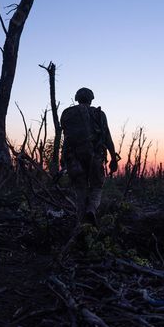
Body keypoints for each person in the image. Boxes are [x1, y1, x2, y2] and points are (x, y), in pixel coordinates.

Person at [60, 87, 119, 225]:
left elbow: (66, 139)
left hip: (74, 158)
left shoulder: (67, 114)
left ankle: (81, 223)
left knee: (80, 189)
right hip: (95, 157)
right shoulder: (99, 114)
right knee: (97, 187)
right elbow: (107, 138)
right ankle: (92, 209)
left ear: (77, 98)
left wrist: (63, 158)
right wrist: (114, 158)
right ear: (91, 99)